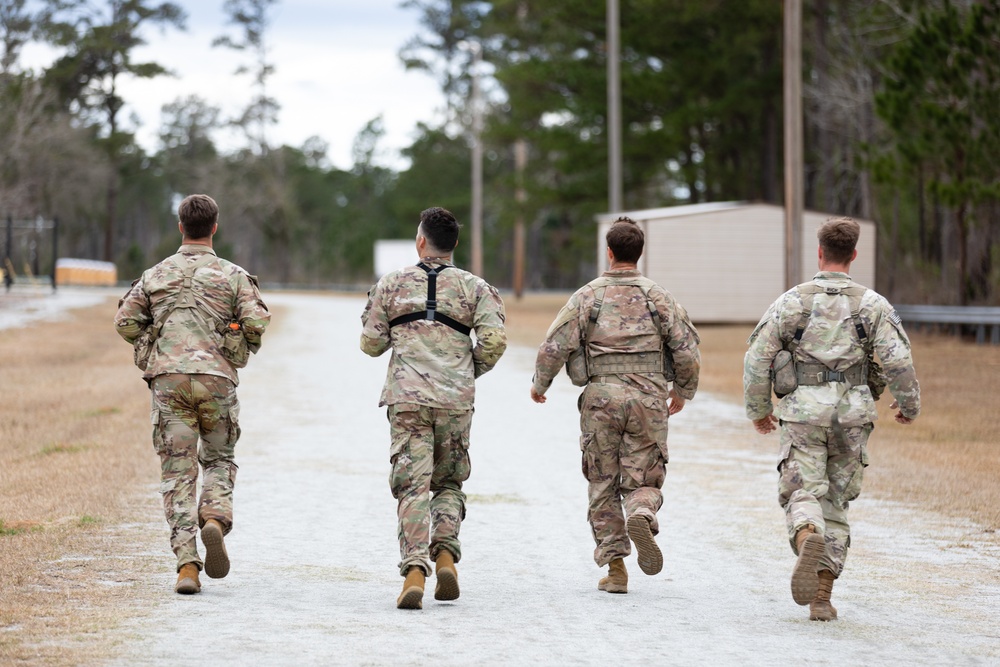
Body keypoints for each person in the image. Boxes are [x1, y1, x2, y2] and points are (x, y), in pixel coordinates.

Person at [744, 216, 920, 621]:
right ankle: (822, 596)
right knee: (837, 500)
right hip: (852, 415)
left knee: (801, 491)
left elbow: (757, 358)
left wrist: (759, 410)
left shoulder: (792, 302)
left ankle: (808, 533)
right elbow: (898, 361)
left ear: (820, 252)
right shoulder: (873, 305)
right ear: (854, 254)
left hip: (803, 412)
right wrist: (908, 405)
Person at [530, 217, 701, 594]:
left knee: (602, 481)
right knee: (644, 477)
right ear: (639, 253)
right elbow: (686, 349)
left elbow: (555, 344)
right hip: (649, 398)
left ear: (608, 252)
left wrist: (540, 383)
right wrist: (682, 391)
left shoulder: (587, 296)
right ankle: (641, 511)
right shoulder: (659, 297)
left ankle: (616, 569)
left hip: (601, 399)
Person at [115, 194, 270, 595]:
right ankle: (215, 517)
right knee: (219, 457)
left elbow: (125, 322)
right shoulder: (234, 275)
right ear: (214, 227)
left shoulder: (155, 274)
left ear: (181, 226)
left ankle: (187, 565)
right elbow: (256, 322)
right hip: (217, 380)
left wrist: (153, 340)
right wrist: (233, 334)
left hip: (168, 382)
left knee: (177, 473)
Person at [361, 206, 507, 610]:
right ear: (455, 244)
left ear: (420, 241)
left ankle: (413, 570)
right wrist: (464, 371)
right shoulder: (476, 288)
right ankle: (445, 557)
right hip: (455, 401)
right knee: (448, 483)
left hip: (407, 399)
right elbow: (494, 341)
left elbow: (370, 344)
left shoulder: (391, 284)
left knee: (412, 485)